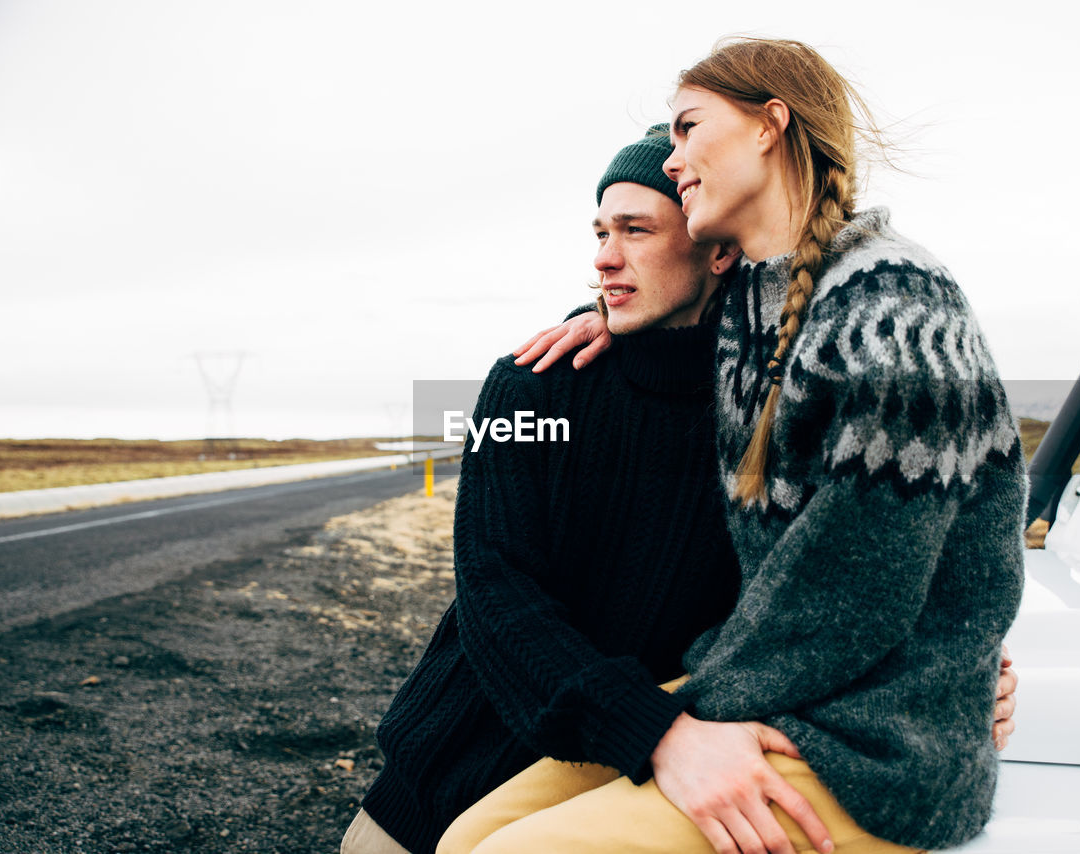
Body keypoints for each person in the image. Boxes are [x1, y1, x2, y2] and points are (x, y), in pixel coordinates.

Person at [439, 37, 1027, 854]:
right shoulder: (742, 310)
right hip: (740, 686)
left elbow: (871, 579)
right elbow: (498, 585)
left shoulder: (892, 302)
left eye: (686, 130)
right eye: (602, 233)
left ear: (767, 126)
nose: (675, 159)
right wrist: (599, 323)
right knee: (464, 836)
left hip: (865, 730)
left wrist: (967, 668)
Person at [342, 126, 746, 854]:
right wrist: (646, 729)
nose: (603, 256)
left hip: (623, 804)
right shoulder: (531, 387)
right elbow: (496, 592)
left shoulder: (768, 416)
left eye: (636, 229)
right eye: (599, 230)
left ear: (718, 249)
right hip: (443, 781)